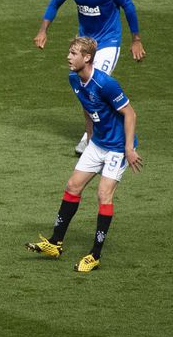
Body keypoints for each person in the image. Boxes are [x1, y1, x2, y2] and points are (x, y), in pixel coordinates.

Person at [26, 37, 142, 272]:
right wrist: (90, 139)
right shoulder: (74, 79)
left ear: (87, 57)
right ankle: (55, 243)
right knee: (72, 186)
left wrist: (129, 149)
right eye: (69, 52)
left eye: (73, 53)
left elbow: (130, 114)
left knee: (103, 194)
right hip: (98, 143)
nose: (68, 57)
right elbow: (88, 108)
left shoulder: (106, 84)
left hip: (118, 147)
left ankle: (95, 255)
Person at [33, 0, 144, 154]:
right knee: (85, 86)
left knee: (96, 84)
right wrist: (43, 30)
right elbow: (55, 3)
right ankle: (93, 135)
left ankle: (98, 136)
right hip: (85, 42)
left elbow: (128, 6)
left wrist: (136, 40)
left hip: (108, 42)